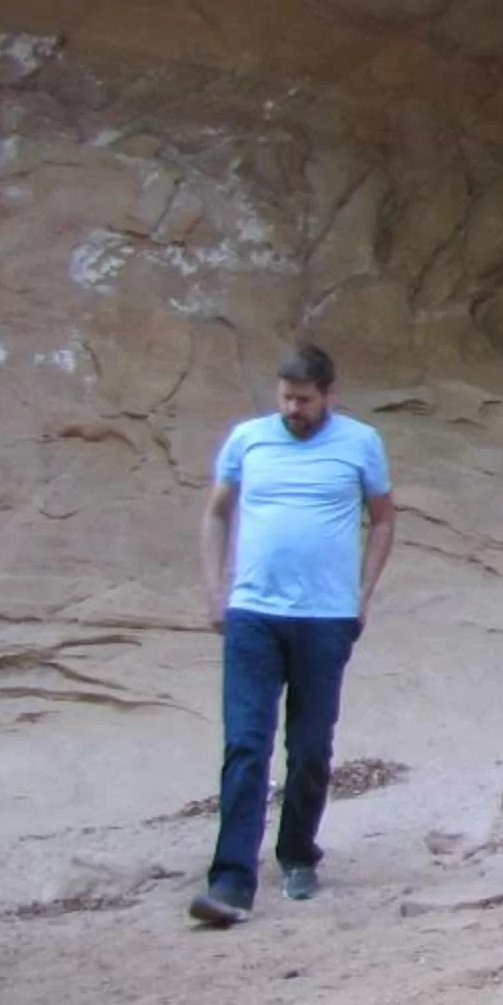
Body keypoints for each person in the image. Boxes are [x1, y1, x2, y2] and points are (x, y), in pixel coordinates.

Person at [189, 344, 396, 928]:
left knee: (309, 747)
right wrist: (215, 589)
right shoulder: (249, 439)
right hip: (253, 613)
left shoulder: (360, 443)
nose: (292, 409)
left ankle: (298, 852)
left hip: (326, 617)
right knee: (246, 744)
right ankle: (231, 880)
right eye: (285, 397)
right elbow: (216, 512)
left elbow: (383, 519)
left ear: (329, 395)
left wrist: (362, 595)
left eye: (304, 400)